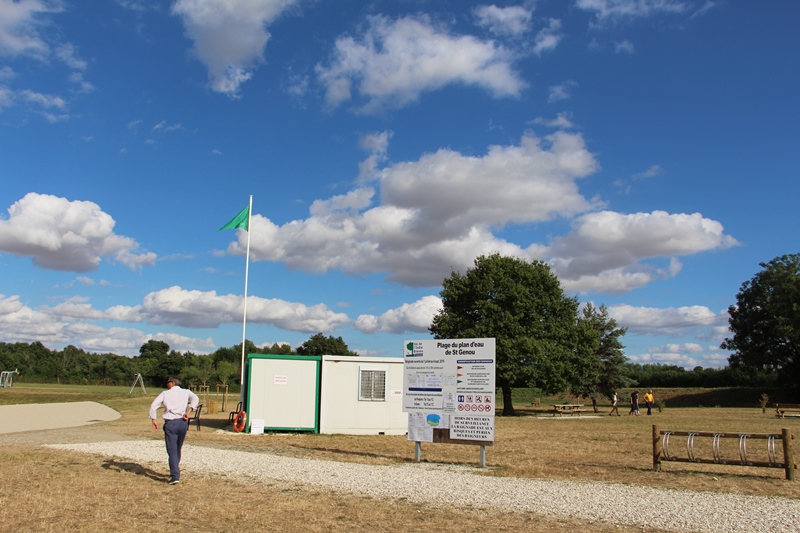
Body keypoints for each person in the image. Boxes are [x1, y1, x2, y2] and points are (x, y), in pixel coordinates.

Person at [149, 376, 199, 485]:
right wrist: (189, 411)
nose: (167, 384)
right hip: (182, 422)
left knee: (172, 450)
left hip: (171, 422)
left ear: (172, 383)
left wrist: (153, 419)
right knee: (178, 448)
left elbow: (154, 405)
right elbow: (196, 399)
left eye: (168, 382)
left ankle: (175, 475)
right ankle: (175, 469)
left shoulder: (165, 394)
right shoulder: (186, 392)